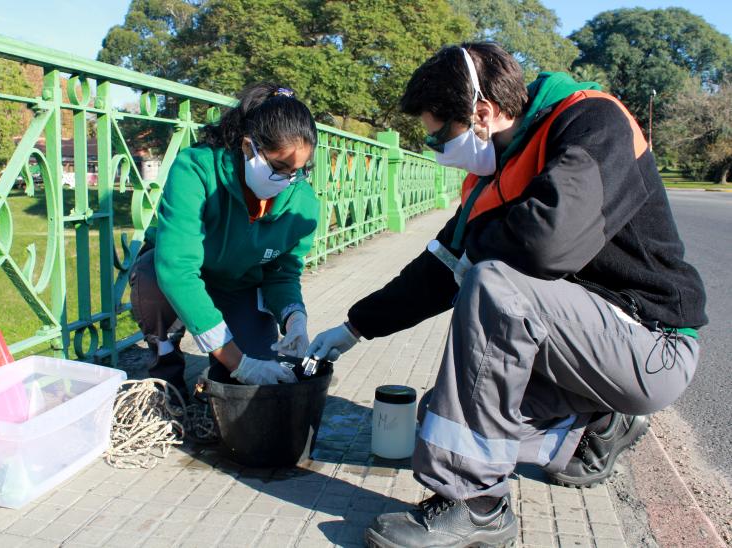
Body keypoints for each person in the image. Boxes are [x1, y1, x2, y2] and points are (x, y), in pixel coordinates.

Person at [307, 43, 707, 548]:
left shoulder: (592, 121)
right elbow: (438, 270)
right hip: (588, 343)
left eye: (438, 137)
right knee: (443, 418)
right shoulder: (495, 169)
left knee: (494, 284)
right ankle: (593, 427)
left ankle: (477, 506)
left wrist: (476, 249)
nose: (436, 150)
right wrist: (352, 327)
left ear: (481, 114)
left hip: (650, 343)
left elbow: (548, 243)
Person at [130, 83, 320, 395]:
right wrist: (239, 363)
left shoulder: (303, 202)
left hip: (238, 286)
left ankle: (215, 372)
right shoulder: (195, 169)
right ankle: (166, 375)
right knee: (153, 274)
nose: (287, 181)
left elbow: (282, 271)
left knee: (254, 374)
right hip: (182, 277)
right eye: (279, 167)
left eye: (297, 171)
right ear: (248, 147)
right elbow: (176, 269)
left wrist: (293, 315)